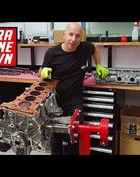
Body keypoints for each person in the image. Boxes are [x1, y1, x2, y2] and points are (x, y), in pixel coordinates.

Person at [39, 22, 109, 155]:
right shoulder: (52, 53)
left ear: (80, 37)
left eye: (77, 36)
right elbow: (41, 70)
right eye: (70, 35)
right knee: (56, 138)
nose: (73, 39)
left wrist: (99, 65)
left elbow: (95, 48)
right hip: (55, 103)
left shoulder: (84, 48)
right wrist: (43, 72)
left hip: (75, 102)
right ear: (64, 35)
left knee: (74, 137)